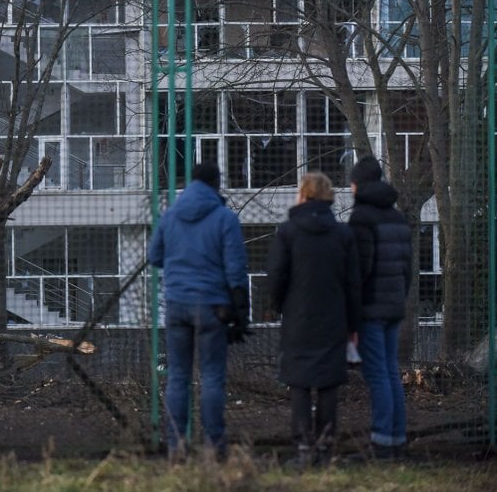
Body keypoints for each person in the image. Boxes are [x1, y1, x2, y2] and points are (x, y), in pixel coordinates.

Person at [147, 161, 249, 460]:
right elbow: (235, 269)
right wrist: (241, 309)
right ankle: (214, 446)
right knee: (212, 377)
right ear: (216, 183)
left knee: (178, 376)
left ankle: (175, 445)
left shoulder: (170, 216)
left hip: (177, 304)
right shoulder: (224, 217)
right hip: (212, 306)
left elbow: (155, 257)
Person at [266, 173, 360, 467]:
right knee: (329, 383)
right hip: (334, 318)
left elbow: (276, 277)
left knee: (300, 384)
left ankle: (304, 447)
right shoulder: (343, 234)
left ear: (304, 195)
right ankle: (325, 446)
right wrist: (353, 323)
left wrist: (277, 306)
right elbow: (353, 283)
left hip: (298, 318)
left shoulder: (288, 232)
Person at [347, 156, 412, 460]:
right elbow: (408, 268)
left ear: (357, 184)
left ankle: (383, 443)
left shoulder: (361, 217)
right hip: (394, 305)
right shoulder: (397, 217)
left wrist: (352, 315)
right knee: (390, 372)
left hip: (371, 308)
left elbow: (359, 270)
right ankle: (396, 439)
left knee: (377, 375)